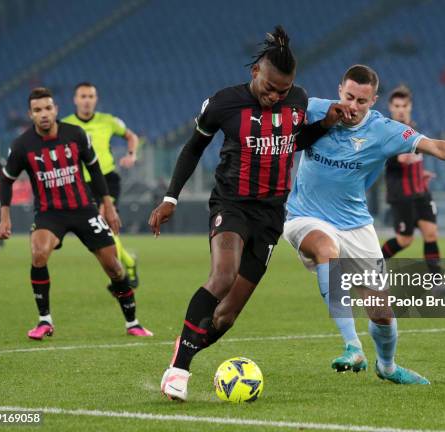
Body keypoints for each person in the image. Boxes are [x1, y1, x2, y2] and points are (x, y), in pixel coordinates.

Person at [148, 26, 350, 402]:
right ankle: (178, 372)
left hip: (272, 214)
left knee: (226, 317)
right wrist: (170, 198)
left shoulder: (299, 101)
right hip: (231, 204)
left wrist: (323, 126)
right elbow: (193, 149)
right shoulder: (223, 103)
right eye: (270, 87)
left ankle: (185, 345)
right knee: (222, 276)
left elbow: (293, 140)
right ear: (256, 71)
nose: (276, 96)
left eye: (283, 90)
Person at [283, 65, 445, 381]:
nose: (353, 106)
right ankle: (352, 346)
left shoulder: (384, 131)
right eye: (349, 97)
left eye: (362, 101)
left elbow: (434, 146)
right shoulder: (313, 111)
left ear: (374, 100)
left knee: (382, 313)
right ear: (340, 90)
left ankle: (387, 367)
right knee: (326, 249)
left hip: (355, 225)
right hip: (305, 217)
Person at [0, 87, 152, 340]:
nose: (44, 114)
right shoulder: (22, 145)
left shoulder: (75, 134)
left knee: (113, 266)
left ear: (56, 110)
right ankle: (44, 320)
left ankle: (132, 323)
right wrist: (5, 217)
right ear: (31, 114)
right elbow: (6, 180)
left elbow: (95, 169)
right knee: (38, 253)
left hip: (84, 209)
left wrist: (108, 206)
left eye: (48, 108)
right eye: (38, 110)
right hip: (49, 213)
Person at [62, 83, 140, 288]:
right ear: (75, 99)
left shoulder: (108, 121)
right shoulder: (66, 124)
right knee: (101, 231)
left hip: (107, 180)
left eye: (90, 96)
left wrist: (131, 154)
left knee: (104, 222)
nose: (87, 100)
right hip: (82, 183)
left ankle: (118, 274)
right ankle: (128, 262)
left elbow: (131, 136)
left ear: (96, 99)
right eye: (83, 96)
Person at [379, 85, 445, 293]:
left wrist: (421, 174)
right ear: (390, 107)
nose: (401, 109)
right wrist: (396, 159)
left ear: (410, 106)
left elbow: (414, 157)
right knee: (405, 240)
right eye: (397, 105)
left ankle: (437, 282)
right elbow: (381, 158)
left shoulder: (413, 129)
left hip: (420, 191)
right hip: (401, 195)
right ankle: (370, 265)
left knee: (431, 233)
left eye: (404, 105)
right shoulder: (385, 130)